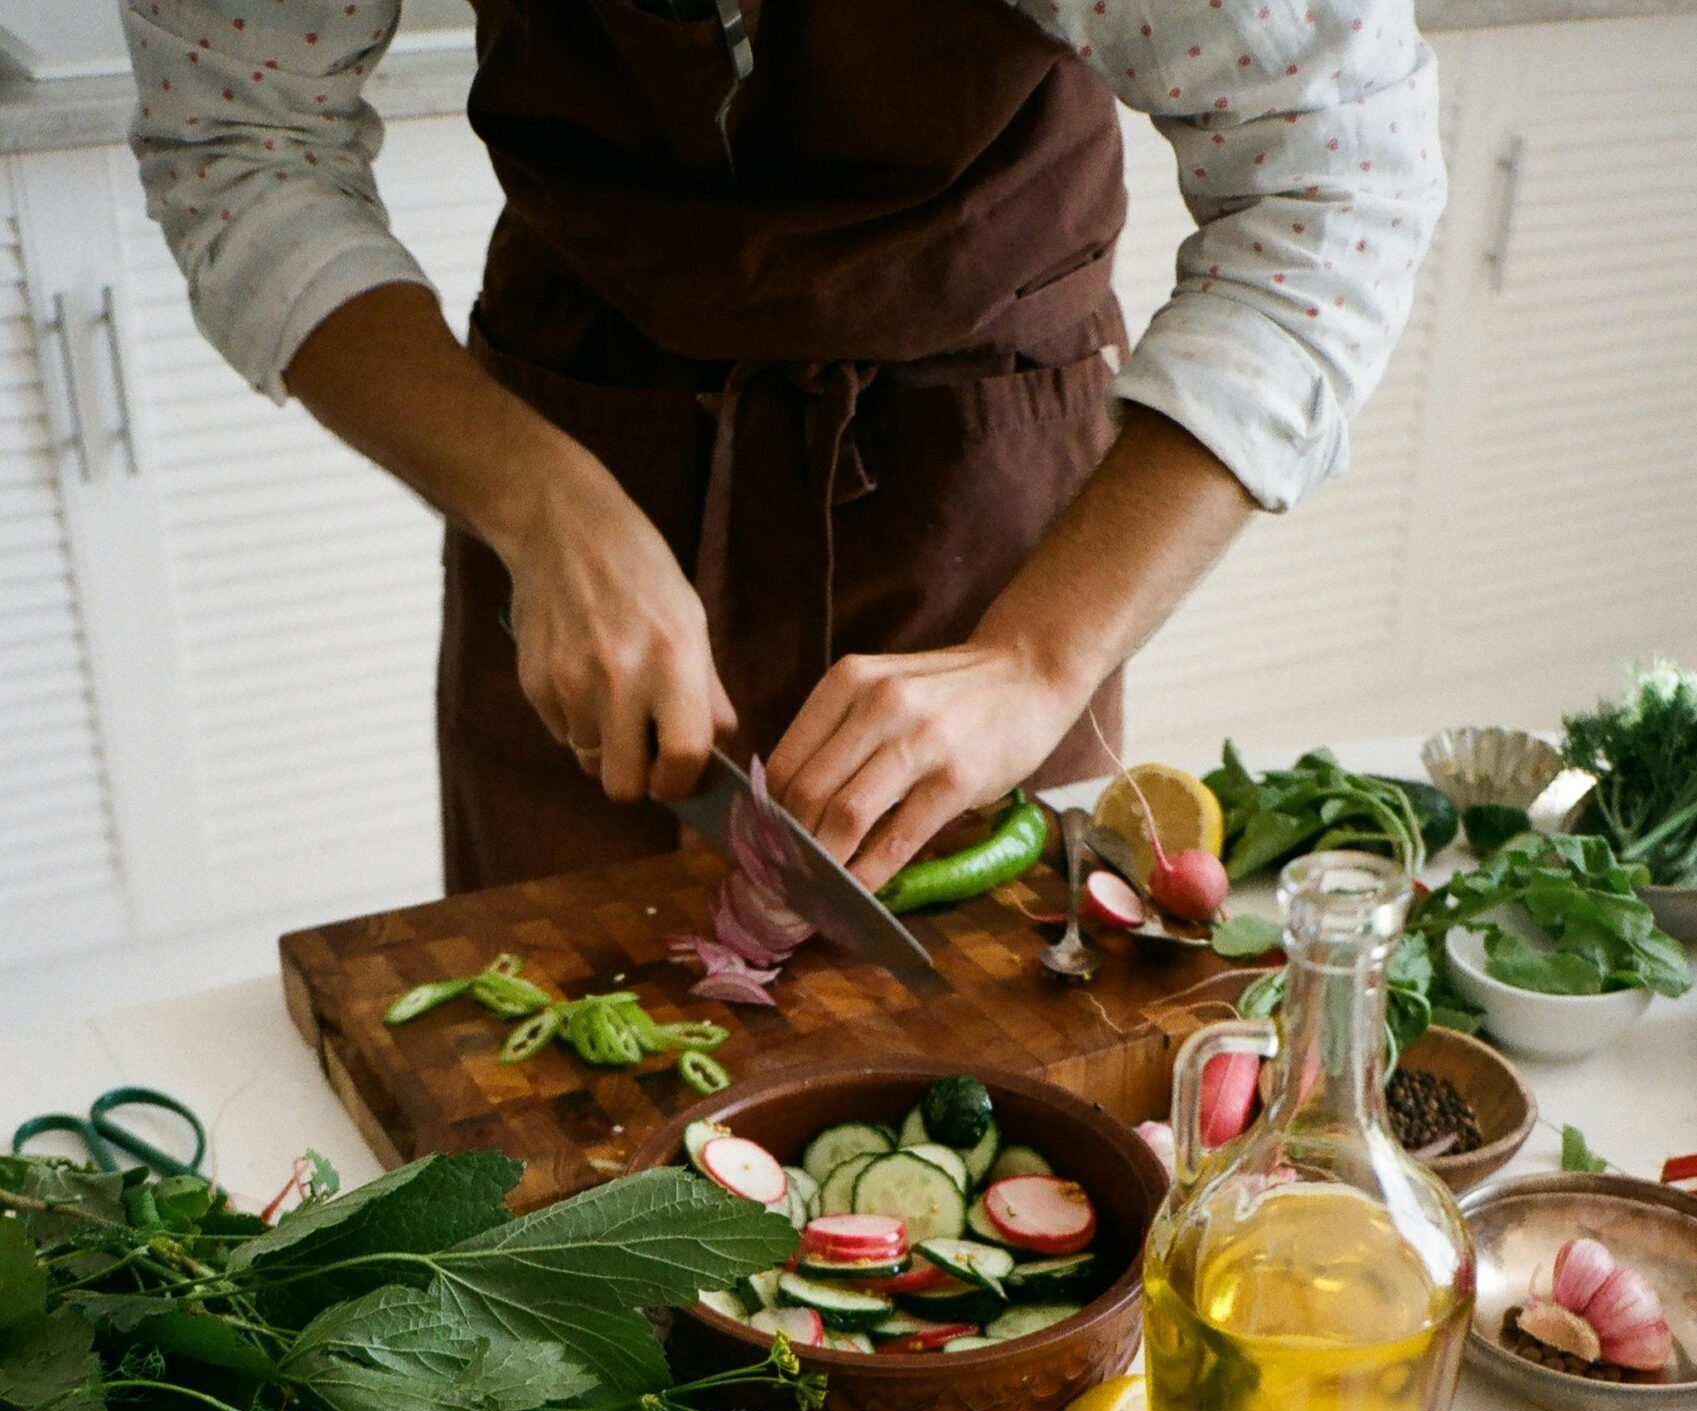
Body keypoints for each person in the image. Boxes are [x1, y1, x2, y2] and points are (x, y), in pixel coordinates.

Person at [121, 0, 1442, 895]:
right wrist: (538, 504)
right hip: (578, 421)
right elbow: (243, 145)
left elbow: (1336, 181)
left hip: (974, 469)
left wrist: (1038, 658)